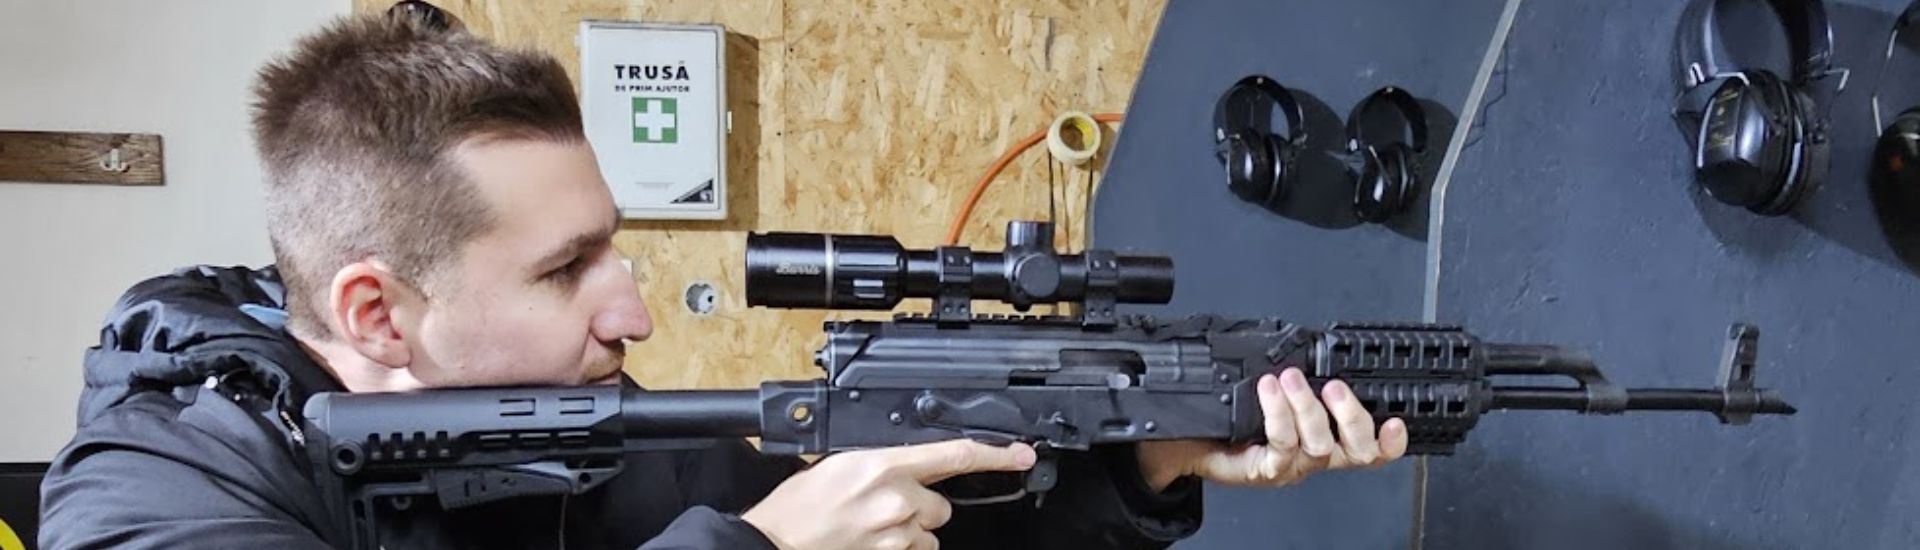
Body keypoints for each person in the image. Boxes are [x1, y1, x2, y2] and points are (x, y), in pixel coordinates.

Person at [37, 11, 1408, 550]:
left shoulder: (604, 437)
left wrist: (1146, 460)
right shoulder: (156, 488)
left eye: (611, 245)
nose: (632, 308)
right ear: (375, 314)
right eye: (566, 270)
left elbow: (917, 530)